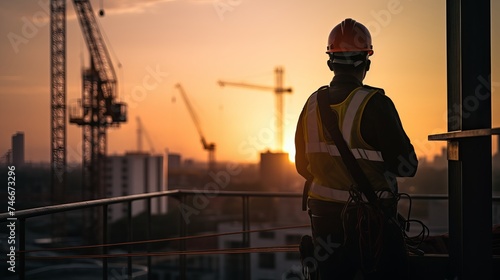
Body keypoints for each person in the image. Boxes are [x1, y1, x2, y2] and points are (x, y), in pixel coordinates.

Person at [295, 18, 418, 279]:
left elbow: (302, 166)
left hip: (324, 224)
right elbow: (407, 166)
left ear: (330, 63)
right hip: (371, 227)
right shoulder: (376, 104)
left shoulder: (311, 105)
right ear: (367, 62)